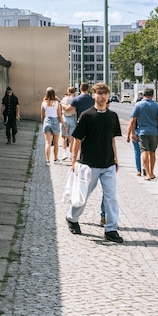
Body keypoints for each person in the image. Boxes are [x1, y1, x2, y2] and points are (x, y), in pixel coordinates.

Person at [66, 82, 123, 243]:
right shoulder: (87, 115)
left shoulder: (112, 116)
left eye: (105, 94)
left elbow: (112, 140)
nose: (103, 96)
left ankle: (111, 229)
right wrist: (74, 160)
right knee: (83, 195)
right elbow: (77, 139)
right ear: (94, 95)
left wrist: (116, 159)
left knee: (110, 197)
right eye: (100, 93)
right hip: (89, 164)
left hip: (108, 164)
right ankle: (72, 218)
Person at [127, 87, 158, 180]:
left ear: (143, 95)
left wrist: (132, 133)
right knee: (152, 152)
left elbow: (133, 120)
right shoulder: (156, 106)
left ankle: (147, 173)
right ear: (152, 95)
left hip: (142, 132)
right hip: (154, 132)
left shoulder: (138, 105)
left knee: (144, 152)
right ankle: (152, 172)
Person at [41, 87, 62, 164]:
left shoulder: (43, 103)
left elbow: (42, 115)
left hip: (47, 121)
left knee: (47, 143)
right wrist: (63, 124)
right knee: (56, 142)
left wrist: (43, 123)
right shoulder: (57, 103)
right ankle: (56, 159)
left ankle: (47, 160)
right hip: (55, 121)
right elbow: (59, 115)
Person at [60, 86, 78, 160]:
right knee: (72, 138)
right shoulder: (75, 100)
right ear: (74, 92)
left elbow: (62, 107)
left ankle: (64, 153)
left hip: (65, 117)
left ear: (68, 91)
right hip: (73, 117)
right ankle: (71, 154)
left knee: (63, 137)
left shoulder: (64, 99)